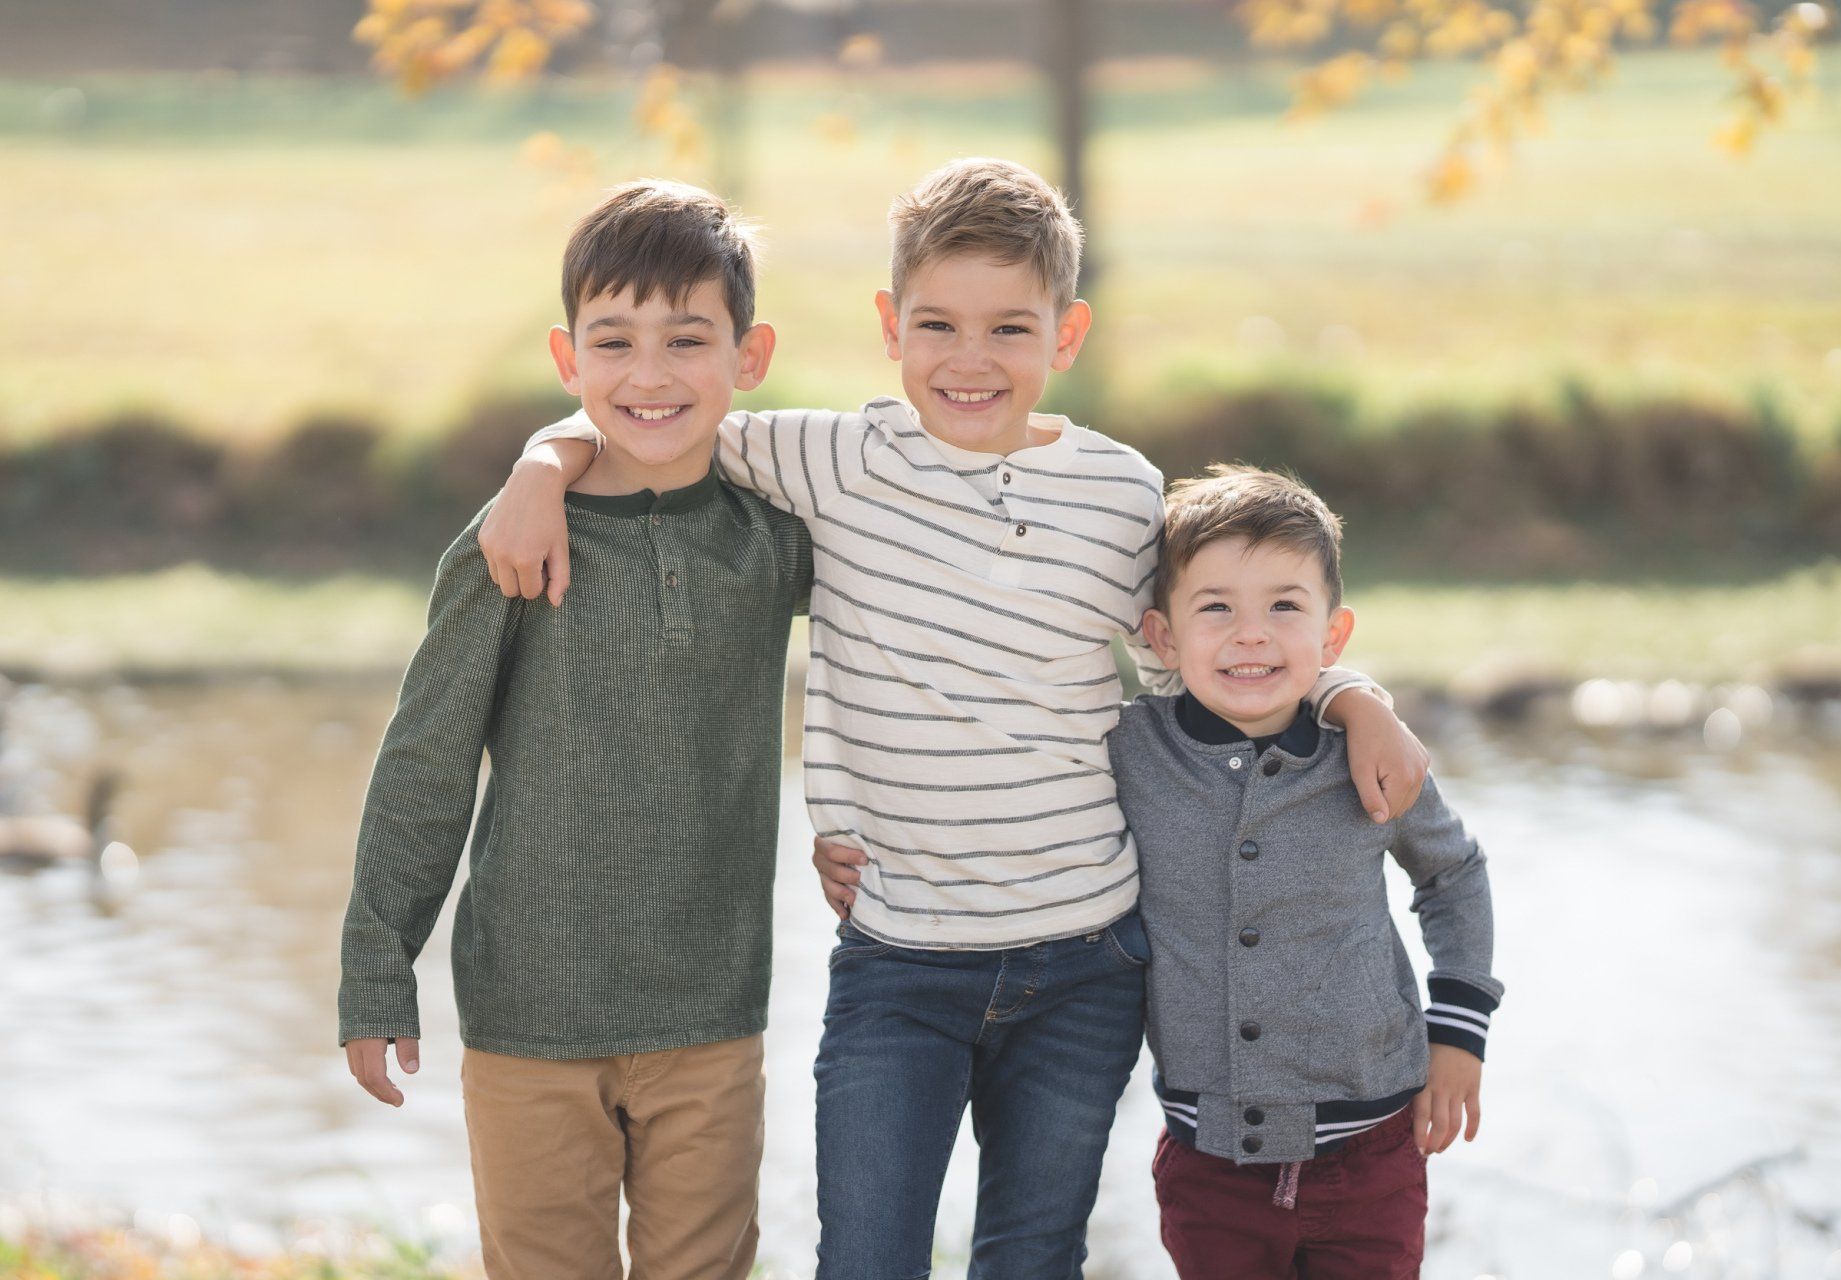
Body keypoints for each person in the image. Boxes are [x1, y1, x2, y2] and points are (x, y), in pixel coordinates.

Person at [478, 157, 1431, 1278]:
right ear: (890, 325)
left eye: (1008, 329)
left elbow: (1227, 646)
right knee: (868, 1257)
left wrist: (1352, 694)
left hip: (1086, 958)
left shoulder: (1123, 492)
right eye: (937, 323)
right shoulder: (830, 459)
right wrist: (539, 464)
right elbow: (647, 413)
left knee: (1031, 1256)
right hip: (899, 961)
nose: (969, 359)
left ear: (1065, 335)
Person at [336, 179, 811, 1280]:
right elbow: (426, 761)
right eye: (615, 342)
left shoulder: (775, 540)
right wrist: (376, 965)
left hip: (712, 1009)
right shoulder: (509, 545)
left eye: (687, 339)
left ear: (751, 353)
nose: (650, 374)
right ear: (568, 358)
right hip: (526, 1013)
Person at [1120, 464, 1501, 1277]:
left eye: (1284, 608)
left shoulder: (1372, 754)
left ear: (1332, 637)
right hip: (1209, 1160)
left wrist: (1459, 1031)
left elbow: (1452, 875)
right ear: (1161, 636)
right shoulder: (1130, 753)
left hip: (1373, 1151)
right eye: (1215, 607)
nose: (1250, 633)